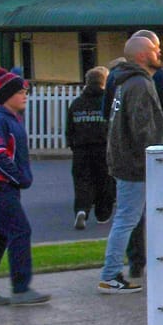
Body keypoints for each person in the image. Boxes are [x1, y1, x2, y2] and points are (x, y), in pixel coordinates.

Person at [0, 71, 49, 307]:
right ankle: (20, 287)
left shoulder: (9, 118)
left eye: (26, 92)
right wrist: (18, 177)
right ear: (7, 96)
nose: (25, 96)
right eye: (20, 92)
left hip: (1, 187)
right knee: (20, 231)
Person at [99, 34, 163, 293]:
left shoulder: (123, 82)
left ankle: (157, 263)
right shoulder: (139, 83)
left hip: (125, 160)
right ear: (142, 54)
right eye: (154, 48)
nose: (158, 52)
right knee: (127, 218)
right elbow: (144, 128)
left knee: (131, 217)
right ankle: (110, 273)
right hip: (135, 164)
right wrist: (160, 159)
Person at [65, 67, 110, 229]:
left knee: (82, 181)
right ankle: (102, 214)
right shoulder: (107, 102)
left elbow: (69, 128)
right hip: (103, 147)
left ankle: (82, 209)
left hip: (81, 148)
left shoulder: (77, 103)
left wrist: (72, 143)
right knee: (104, 181)